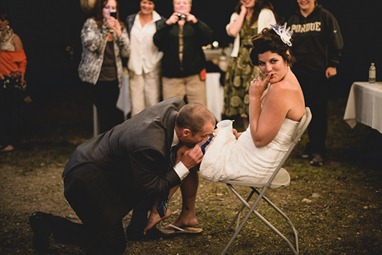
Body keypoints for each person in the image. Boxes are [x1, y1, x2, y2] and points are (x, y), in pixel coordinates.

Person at [144, 25, 306, 232]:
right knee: (192, 146)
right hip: (257, 151)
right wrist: (243, 135)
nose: (267, 69)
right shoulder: (286, 80)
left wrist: (254, 97)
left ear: (286, 56)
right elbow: (263, 131)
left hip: (257, 161)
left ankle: (165, 209)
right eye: (262, 64)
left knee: (184, 152)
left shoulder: (280, 90)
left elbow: (259, 139)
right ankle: (182, 214)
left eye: (273, 61)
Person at [28, 97, 216, 255]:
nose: (207, 140)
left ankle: (137, 229)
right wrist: (184, 166)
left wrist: (222, 135)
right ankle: (47, 223)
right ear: (185, 133)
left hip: (111, 167)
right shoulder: (149, 145)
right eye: (205, 137)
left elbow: (153, 177)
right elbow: (153, 187)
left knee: (152, 172)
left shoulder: (176, 108)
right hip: (86, 179)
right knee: (112, 246)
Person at [287, 0, 344, 166]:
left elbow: (336, 41)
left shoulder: (325, 16)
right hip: (297, 75)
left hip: (318, 74)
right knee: (301, 113)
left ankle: (318, 150)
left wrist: (333, 64)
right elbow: (286, 45)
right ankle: (310, 146)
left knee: (318, 112)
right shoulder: (293, 20)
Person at [223, 0, 277, 130]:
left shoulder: (265, 13)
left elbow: (273, 35)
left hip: (257, 60)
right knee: (241, 96)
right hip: (240, 61)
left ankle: (259, 128)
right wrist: (242, 12)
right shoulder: (236, 16)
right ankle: (247, 130)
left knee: (255, 94)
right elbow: (233, 32)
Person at [78, 0, 129, 133]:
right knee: (105, 113)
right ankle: (103, 146)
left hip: (114, 78)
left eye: (113, 7)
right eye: (107, 7)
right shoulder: (91, 23)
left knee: (114, 115)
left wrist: (119, 34)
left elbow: (127, 52)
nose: (110, 10)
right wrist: (106, 28)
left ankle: (112, 145)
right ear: (101, 9)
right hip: (95, 78)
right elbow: (92, 46)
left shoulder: (120, 25)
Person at [153, 0, 213, 106]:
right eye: (178, 3)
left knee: (199, 110)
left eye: (185, 3)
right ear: (173, 6)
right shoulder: (167, 23)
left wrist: (196, 22)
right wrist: (167, 24)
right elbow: (157, 41)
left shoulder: (195, 24)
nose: (181, 5)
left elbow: (208, 38)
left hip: (194, 77)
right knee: (170, 111)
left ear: (190, 6)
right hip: (171, 78)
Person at [125, 0, 166, 116]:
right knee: (136, 107)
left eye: (150, 3)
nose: (146, 6)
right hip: (135, 68)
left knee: (153, 106)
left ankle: (152, 134)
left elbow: (164, 44)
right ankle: (135, 133)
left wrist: (157, 60)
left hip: (152, 67)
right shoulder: (131, 19)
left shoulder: (160, 21)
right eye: (144, 2)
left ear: (154, 5)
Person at [0, 9, 27, 153]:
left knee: (12, 111)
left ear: (8, 21)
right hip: (0, 79)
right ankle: (3, 141)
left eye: (3, 20)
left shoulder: (14, 38)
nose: (0, 23)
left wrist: (21, 76)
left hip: (11, 80)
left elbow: (22, 61)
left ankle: (13, 142)